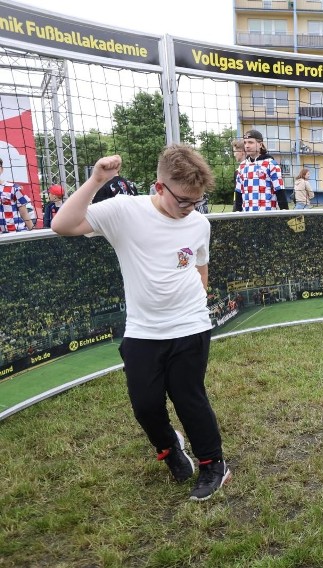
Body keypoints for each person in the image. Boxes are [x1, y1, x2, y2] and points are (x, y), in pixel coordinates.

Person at [51, 145, 231, 502]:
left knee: (188, 397)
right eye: (183, 201)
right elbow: (63, 225)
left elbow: (199, 266)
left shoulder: (199, 222)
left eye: (197, 201)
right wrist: (98, 179)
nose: (189, 209)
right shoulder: (123, 211)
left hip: (190, 325)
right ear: (159, 187)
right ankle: (169, 447)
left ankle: (214, 465)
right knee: (146, 405)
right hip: (143, 330)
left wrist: (198, 305)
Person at [234, 129, 288, 211]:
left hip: (267, 215)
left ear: (260, 144)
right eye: (245, 142)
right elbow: (238, 193)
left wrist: (286, 214)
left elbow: (280, 191)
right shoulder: (242, 166)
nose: (247, 146)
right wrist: (236, 213)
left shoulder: (271, 164)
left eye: (250, 142)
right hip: (247, 216)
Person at [0, 157, 35, 233]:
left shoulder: (13, 188)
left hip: (16, 233)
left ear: (1, 169)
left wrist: (33, 231)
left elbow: (24, 212)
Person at [231, 138, 246, 212]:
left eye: (235, 151)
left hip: (243, 209)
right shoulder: (238, 170)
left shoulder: (239, 171)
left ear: (242, 151)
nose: (234, 154)